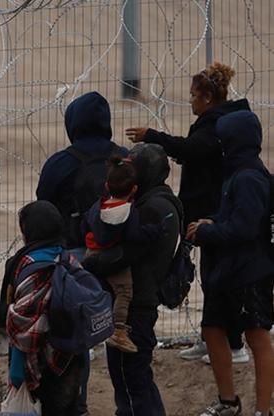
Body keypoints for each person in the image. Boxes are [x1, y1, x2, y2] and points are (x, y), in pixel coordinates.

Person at [126, 62, 250, 364]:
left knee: (218, 279)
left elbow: (192, 149)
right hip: (208, 209)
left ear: (207, 97)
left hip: (214, 212)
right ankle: (214, 339)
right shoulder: (217, 119)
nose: (190, 100)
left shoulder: (217, 124)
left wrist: (153, 136)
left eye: (193, 95)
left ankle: (233, 345)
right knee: (210, 278)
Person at [35, 90, 126, 415]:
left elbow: (42, 209)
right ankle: (128, 404)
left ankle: (79, 404)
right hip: (121, 259)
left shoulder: (61, 163)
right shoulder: (125, 158)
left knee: (74, 337)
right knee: (123, 336)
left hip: (74, 261)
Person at [83, 143, 181, 416]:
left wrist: (89, 264)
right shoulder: (161, 201)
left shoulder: (152, 209)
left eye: (134, 168)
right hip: (143, 299)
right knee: (137, 380)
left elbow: (121, 254)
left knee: (129, 381)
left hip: (136, 304)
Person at [186, 110, 273, 416]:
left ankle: (263, 409)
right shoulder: (235, 173)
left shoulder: (249, 177)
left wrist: (209, 230)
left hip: (250, 272)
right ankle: (228, 402)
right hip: (229, 270)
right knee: (212, 328)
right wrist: (213, 221)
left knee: (257, 336)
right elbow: (235, 217)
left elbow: (246, 228)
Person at [4, 200, 88, 415]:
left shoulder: (26, 265)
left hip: (39, 365)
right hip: (70, 358)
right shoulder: (69, 260)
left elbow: (21, 327)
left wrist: (16, 371)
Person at [83, 156, 166, 353]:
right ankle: (119, 329)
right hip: (112, 256)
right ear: (134, 189)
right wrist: (154, 231)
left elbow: (83, 224)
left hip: (91, 251)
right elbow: (134, 234)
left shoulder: (98, 206)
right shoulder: (129, 212)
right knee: (124, 292)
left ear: (106, 185)